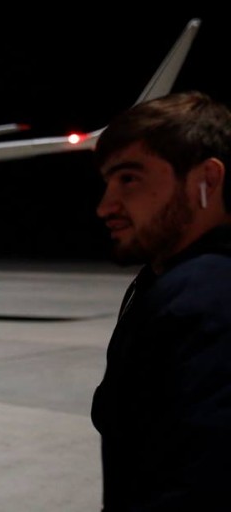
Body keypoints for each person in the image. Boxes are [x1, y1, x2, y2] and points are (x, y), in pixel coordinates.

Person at [90, 90, 231, 511]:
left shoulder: (204, 298)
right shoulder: (163, 279)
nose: (105, 207)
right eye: (107, 182)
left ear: (207, 179)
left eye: (129, 179)